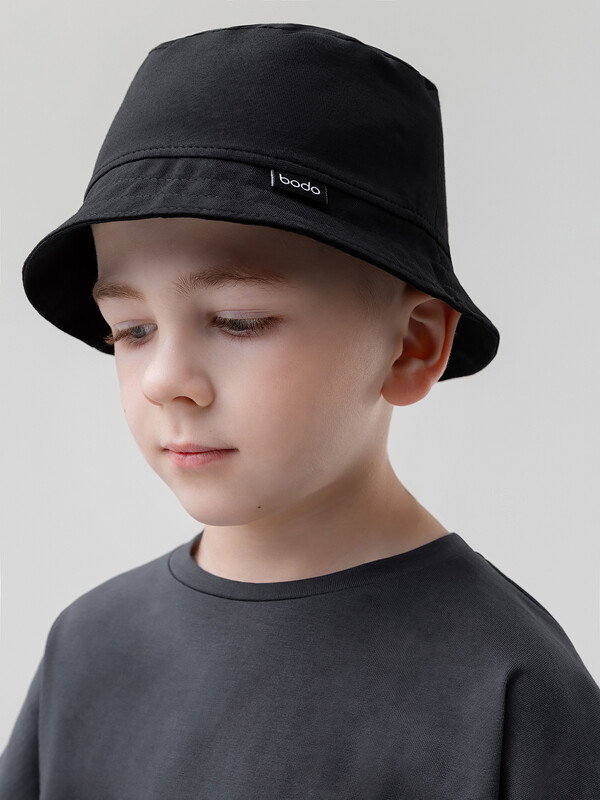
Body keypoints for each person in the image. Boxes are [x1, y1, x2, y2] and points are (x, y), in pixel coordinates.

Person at [1, 21, 599, 799]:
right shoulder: (89, 650)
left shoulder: (510, 692)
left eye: (238, 320)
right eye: (132, 330)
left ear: (411, 347)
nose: (165, 381)